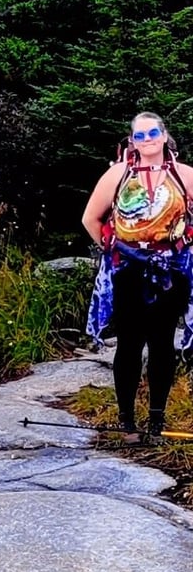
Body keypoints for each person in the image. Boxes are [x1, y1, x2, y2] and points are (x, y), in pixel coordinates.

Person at [82, 111, 193, 442]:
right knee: (129, 343)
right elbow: (90, 218)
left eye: (153, 133)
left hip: (171, 271)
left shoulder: (185, 175)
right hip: (128, 270)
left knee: (162, 344)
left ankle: (156, 422)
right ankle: (127, 422)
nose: (148, 140)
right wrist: (112, 249)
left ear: (164, 135)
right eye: (140, 136)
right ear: (132, 141)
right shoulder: (118, 174)